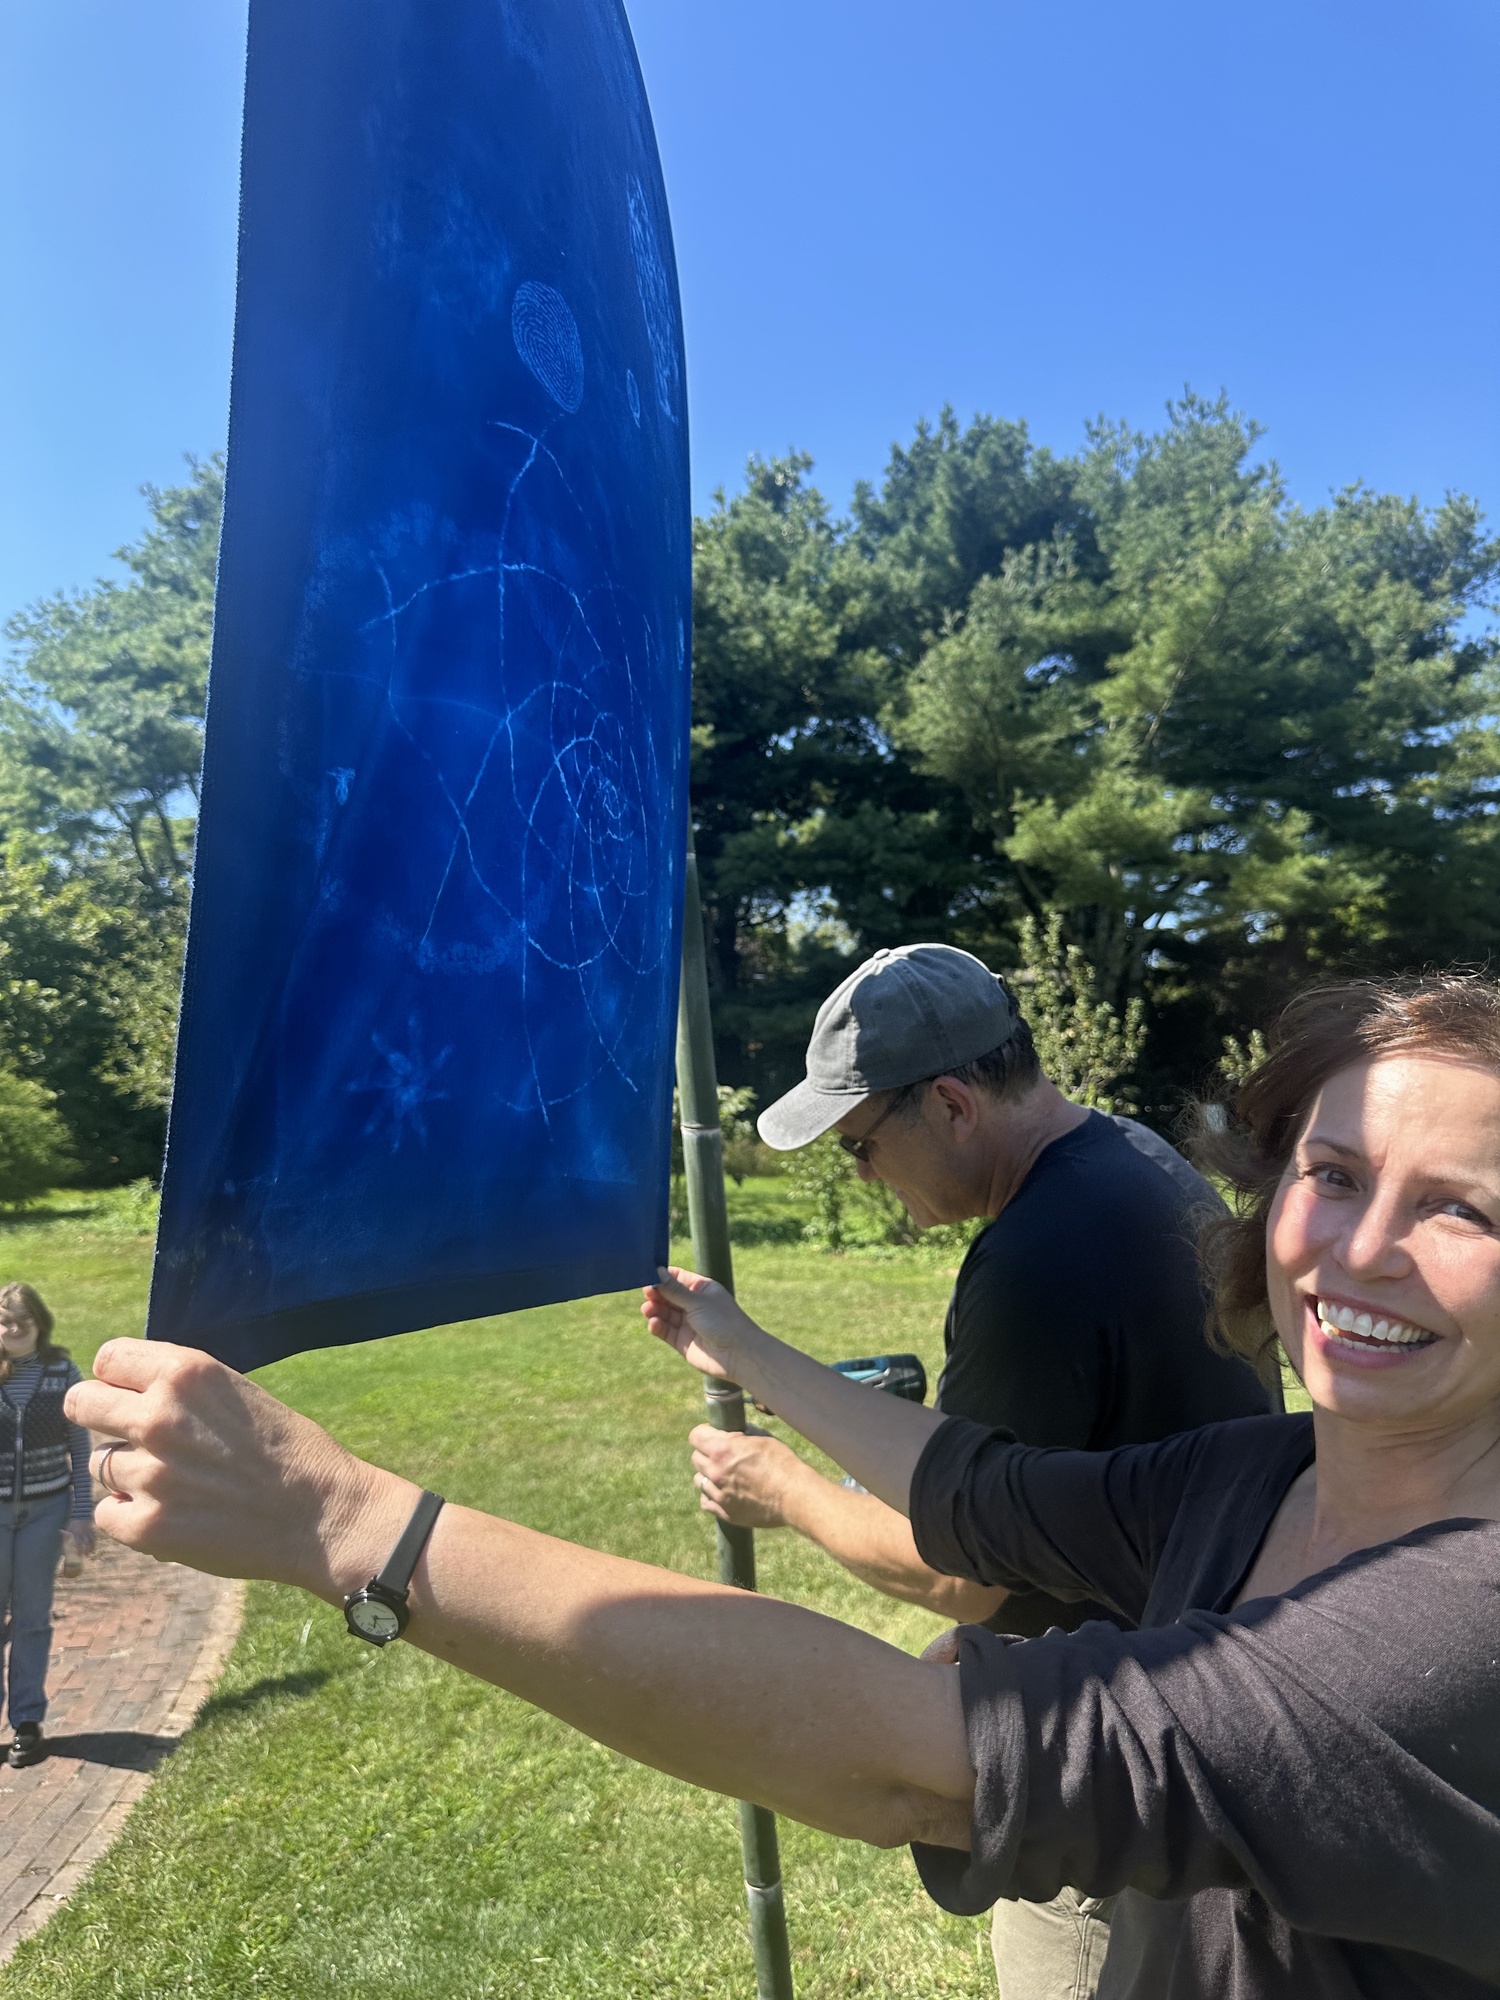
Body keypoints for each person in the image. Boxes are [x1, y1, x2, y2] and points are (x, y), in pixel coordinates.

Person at [71, 974, 1500, 1995]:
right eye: (1333, 1174)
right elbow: (978, 1490)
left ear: (948, 1101)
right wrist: (742, 1346)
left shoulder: (1452, 1620)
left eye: (1460, 1207)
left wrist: (350, 1523)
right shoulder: (1259, 1476)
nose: (1362, 1251)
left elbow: (911, 1751)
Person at [690, 942, 1274, 1993]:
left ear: (953, 1104)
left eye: (862, 1143)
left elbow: (959, 1566)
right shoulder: (1128, 1161)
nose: (861, 1173)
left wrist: (783, 1489)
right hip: (1195, 1693)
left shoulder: (1035, 1264)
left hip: (1104, 1766)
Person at [0, 1282, 96, 1768]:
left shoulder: (63, 1371)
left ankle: (28, 1724)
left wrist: (83, 1513)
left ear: (39, 1323)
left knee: (33, 1618)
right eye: (5, 1320)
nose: (13, 1328)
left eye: (23, 1320)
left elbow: (80, 1448)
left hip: (45, 1511)